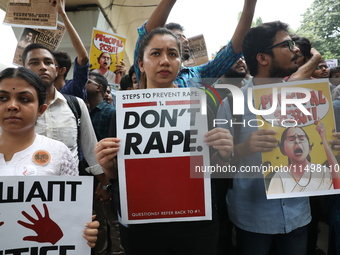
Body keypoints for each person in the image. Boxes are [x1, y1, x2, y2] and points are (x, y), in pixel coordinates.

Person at [95, 27, 233, 255]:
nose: (165, 61)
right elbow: (116, 174)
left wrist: (225, 153)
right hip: (143, 227)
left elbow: (215, 169)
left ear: (180, 62)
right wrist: (108, 165)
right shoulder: (122, 113)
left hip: (196, 226)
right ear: (141, 64)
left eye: (172, 54)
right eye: (156, 53)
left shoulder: (200, 107)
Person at [216, 21, 334, 255]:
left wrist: (332, 145)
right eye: (287, 44)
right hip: (252, 218)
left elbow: (320, 150)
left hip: (298, 215)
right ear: (262, 58)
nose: (296, 50)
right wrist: (243, 148)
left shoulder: (306, 97)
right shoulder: (232, 104)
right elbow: (217, 165)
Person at [0, 66, 99, 248]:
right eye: (2, 98)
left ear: (41, 109)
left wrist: (81, 233)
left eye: (24, 99)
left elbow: (72, 216)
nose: (12, 105)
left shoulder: (59, 153)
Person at [21, 43, 112, 204]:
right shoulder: (12, 110)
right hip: (25, 195)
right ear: (24, 70)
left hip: (70, 196)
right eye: (34, 63)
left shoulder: (76, 105)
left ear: (57, 70)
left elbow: (91, 149)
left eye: (48, 62)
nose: (43, 67)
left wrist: (105, 185)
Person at [133, 0, 257, 88]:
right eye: (178, 37)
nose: (185, 41)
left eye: (172, 53)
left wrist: (250, 4)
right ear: (141, 65)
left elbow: (232, 52)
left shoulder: (198, 73)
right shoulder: (145, 71)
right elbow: (148, 35)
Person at [86, 72, 123, 255]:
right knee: (97, 222)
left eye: (87, 81)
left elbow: (115, 154)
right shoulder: (84, 112)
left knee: (114, 222)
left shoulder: (112, 113)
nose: (82, 83)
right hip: (92, 179)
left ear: (99, 87)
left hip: (107, 180)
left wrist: (105, 183)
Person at [268, 125, 340, 194]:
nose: (297, 141)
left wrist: (323, 138)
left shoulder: (323, 172)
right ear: (283, 150)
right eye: (291, 139)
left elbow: (338, 187)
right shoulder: (279, 176)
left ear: (309, 148)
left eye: (301, 139)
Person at [50, 0, 89, 101]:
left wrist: (62, 14)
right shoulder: (41, 94)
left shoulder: (72, 89)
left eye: (49, 63)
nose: (43, 67)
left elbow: (83, 57)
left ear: (62, 70)